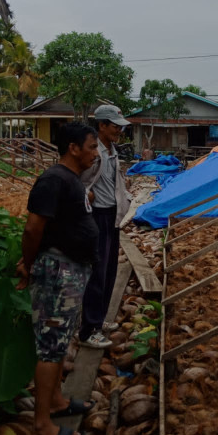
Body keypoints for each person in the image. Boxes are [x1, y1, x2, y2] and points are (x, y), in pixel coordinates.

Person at [15, 122, 100, 435]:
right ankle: (41, 428)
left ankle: (56, 402)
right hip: (57, 272)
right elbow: (32, 229)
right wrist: (28, 264)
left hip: (71, 270)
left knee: (60, 339)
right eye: (91, 147)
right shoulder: (53, 180)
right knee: (51, 346)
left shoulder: (71, 180)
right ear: (73, 148)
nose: (95, 153)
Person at [78, 105, 133, 349]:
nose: (119, 130)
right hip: (96, 216)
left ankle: (99, 320)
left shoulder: (111, 150)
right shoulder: (92, 151)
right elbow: (76, 177)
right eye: (115, 126)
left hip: (112, 215)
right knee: (97, 273)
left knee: (109, 270)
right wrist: (85, 195)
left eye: (120, 127)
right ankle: (88, 330)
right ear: (101, 125)